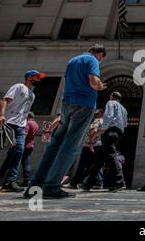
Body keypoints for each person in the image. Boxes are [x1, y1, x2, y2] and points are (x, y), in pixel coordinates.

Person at [25, 44, 106, 199]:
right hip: (84, 105)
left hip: (67, 105)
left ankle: (35, 185)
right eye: (101, 59)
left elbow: (65, 84)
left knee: (55, 145)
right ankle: (52, 186)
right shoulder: (92, 60)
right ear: (99, 54)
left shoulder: (72, 60)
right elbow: (94, 82)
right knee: (70, 146)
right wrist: (101, 86)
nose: (100, 61)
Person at [0, 70, 46, 193]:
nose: (39, 80)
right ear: (29, 77)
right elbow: (5, 100)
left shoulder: (32, 95)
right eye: (37, 77)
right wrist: (1, 115)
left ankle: (9, 182)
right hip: (9, 122)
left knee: (19, 150)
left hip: (21, 126)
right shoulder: (18, 86)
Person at [80, 92, 128, 192]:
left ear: (111, 96)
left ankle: (120, 182)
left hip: (110, 131)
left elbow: (109, 116)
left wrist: (104, 128)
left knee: (111, 155)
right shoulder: (124, 109)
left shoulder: (111, 103)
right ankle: (87, 183)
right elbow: (125, 124)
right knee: (99, 159)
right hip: (118, 132)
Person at [0, 112, 40, 187]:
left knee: (7, 162)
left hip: (22, 145)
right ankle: (27, 180)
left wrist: (17, 142)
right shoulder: (36, 124)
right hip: (30, 145)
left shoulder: (27, 123)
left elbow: (24, 133)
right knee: (26, 163)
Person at [68, 109, 104, 189]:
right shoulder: (103, 122)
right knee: (95, 164)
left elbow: (94, 131)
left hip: (90, 146)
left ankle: (74, 183)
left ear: (101, 114)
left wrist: (90, 143)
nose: (95, 115)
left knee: (83, 164)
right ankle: (98, 182)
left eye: (97, 114)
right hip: (97, 145)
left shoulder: (97, 121)